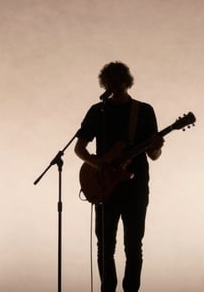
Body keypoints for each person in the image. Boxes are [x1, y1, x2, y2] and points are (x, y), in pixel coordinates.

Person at [75, 61, 164, 292]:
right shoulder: (98, 111)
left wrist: (157, 146)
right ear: (105, 84)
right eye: (110, 81)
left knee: (133, 246)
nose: (115, 85)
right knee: (105, 246)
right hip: (104, 185)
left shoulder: (143, 111)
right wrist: (99, 164)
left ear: (127, 82)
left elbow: (153, 155)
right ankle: (108, 289)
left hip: (135, 187)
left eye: (119, 80)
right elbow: (79, 149)